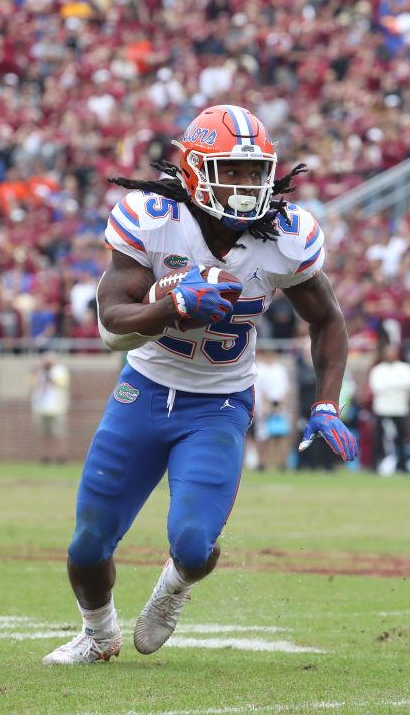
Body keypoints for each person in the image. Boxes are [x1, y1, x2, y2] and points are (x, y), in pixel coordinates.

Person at [43, 105, 358, 665]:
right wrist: (170, 307)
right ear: (193, 169)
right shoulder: (153, 216)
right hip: (142, 392)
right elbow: (111, 321)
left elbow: (328, 319)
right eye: (230, 170)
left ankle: (175, 587)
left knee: (192, 544)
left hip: (218, 405)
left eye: (254, 171)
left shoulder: (284, 236)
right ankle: (97, 634)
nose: (244, 185)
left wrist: (327, 403)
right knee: (87, 544)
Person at [368, 344, 410, 475]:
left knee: (401, 439)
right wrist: (396, 386)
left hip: (399, 409)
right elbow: (376, 387)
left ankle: (403, 465)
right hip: (382, 409)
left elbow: (409, 383)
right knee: (378, 439)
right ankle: (376, 465)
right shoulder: (378, 370)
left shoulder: (405, 368)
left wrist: (388, 386)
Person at [253, 348, 293, 471]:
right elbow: (259, 389)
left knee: (280, 434)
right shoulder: (259, 369)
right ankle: (262, 462)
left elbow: (286, 387)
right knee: (262, 435)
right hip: (264, 406)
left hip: (280, 406)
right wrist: (266, 405)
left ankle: (281, 462)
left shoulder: (280, 369)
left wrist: (281, 403)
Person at [30, 354, 71, 465]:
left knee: (59, 434)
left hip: (56, 408)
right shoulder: (40, 371)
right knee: (43, 434)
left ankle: (61, 457)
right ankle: (45, 457)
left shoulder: (60, 371)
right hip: (41, 407)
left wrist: (49, 373)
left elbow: (62, 384)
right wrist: (37, 372)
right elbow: (32, 384)